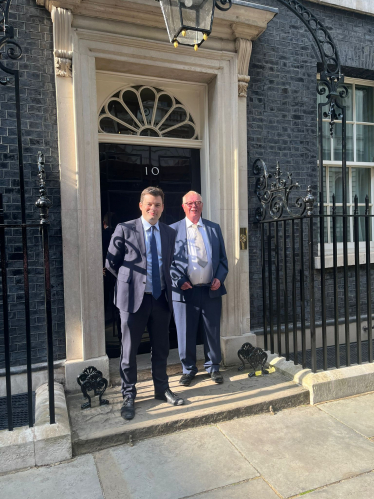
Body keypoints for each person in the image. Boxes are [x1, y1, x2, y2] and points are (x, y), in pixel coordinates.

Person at [105, 186, 184, 420]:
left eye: (157, 205)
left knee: (160, 349)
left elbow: (170, 263)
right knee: (128, 351)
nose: (153, 208)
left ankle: (161, 390)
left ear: (162, 207)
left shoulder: (169, 233)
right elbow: (111, 262)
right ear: (141, 206)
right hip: (132, 300)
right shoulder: (125, 229)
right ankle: (129, 395)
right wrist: (128, 281)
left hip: (160, 299)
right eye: (149, 204)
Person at [170, 191, 228, 386]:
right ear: (183, 206)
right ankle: (188, 369)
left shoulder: (214, 228)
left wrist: (219, 278)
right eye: (189, 203)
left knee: (212, 330)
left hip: (210, 290)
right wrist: (178, 280)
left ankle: (213, 367)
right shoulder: (172, 230)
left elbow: (222, 260)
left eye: (197, 202)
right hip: (185, 291)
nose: (194, 205)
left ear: (202, 205)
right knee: (185, 333)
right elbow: (167, 263)